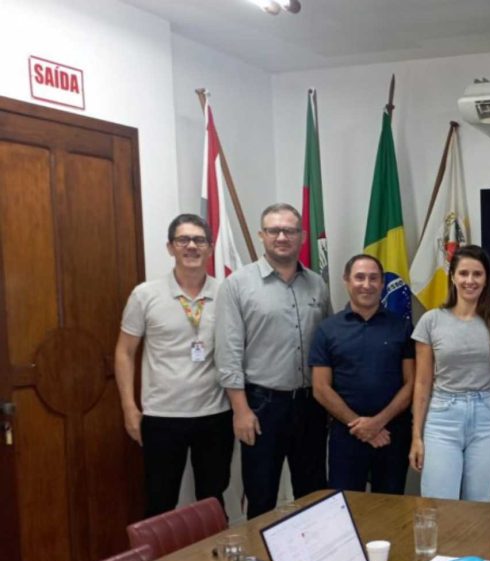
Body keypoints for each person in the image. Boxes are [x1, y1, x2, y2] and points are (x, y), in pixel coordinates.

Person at [214, 203, 332, 518]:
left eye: (289, 231)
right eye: (274, 230)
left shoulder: (317, 284)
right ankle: (260, 551)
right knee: (261, 495)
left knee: (314, 494)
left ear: (302, 236)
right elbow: (228, 352)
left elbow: (327, 346)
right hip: (261, 406)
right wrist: (241, 411)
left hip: (310, 405)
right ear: (261, 235)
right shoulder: (238, 284)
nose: (282, 237)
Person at [115, 214, 234, 518]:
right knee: (160, 501)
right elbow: (125, 352)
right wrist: (129, 407)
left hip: (215, 414)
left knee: (212, 500)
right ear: (170, 247)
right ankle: (161, 554)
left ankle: (212, 551)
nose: (191, 246)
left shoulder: (226, 293)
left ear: (210, 248)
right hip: (162, 416)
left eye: (199, 240)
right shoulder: (145, 295)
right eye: (183, 240)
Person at [409, 245, 490, 501]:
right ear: (452, 276)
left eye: (477, 274)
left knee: (479, 506)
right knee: (439, 504)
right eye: (463, 273)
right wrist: (416, 436)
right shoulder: (431, 321)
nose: (470, 281)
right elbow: (422, 383)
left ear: (486, 279)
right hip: (442, 418)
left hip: (488, 419)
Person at [309, 254, 414, 494]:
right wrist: (360, 426)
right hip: (346, 435)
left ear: (382, 283)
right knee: (345, 505)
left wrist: (377, 423)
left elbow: (411, 383)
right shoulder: (327, 329)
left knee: (390, 505)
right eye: (359, 277)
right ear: (347, 280)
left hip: (391, 434)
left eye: (373, 278)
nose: (366, 284)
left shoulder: (402, 327)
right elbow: (321, 388)